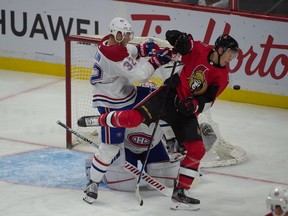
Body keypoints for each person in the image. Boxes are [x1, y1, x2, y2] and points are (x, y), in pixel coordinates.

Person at [92, 30, 239, 210]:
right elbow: (178, 40)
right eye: (230, 54)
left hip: (185, 109)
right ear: (220, 49)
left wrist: (195, 105)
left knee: (197, 149)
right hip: (169, 95)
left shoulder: (223, 76)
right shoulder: (199, 49)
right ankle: (103, 119)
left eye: (234, 55)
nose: (231, 58)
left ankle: (180, 194)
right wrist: (179, 38)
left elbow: (209, 100)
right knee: (135, 117)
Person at [82, 17, 172, 204]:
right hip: (110, 103)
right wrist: (156, 61)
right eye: (126, 34)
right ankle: (93, 183)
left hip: (124, 93)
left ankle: (172, 140)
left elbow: (126, 52)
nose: (129, 37)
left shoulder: (109, 42)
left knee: (162, 100)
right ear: (117, 34)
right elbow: (139, 74)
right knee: (110, 146)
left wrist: (140, 50)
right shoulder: (114, 55)